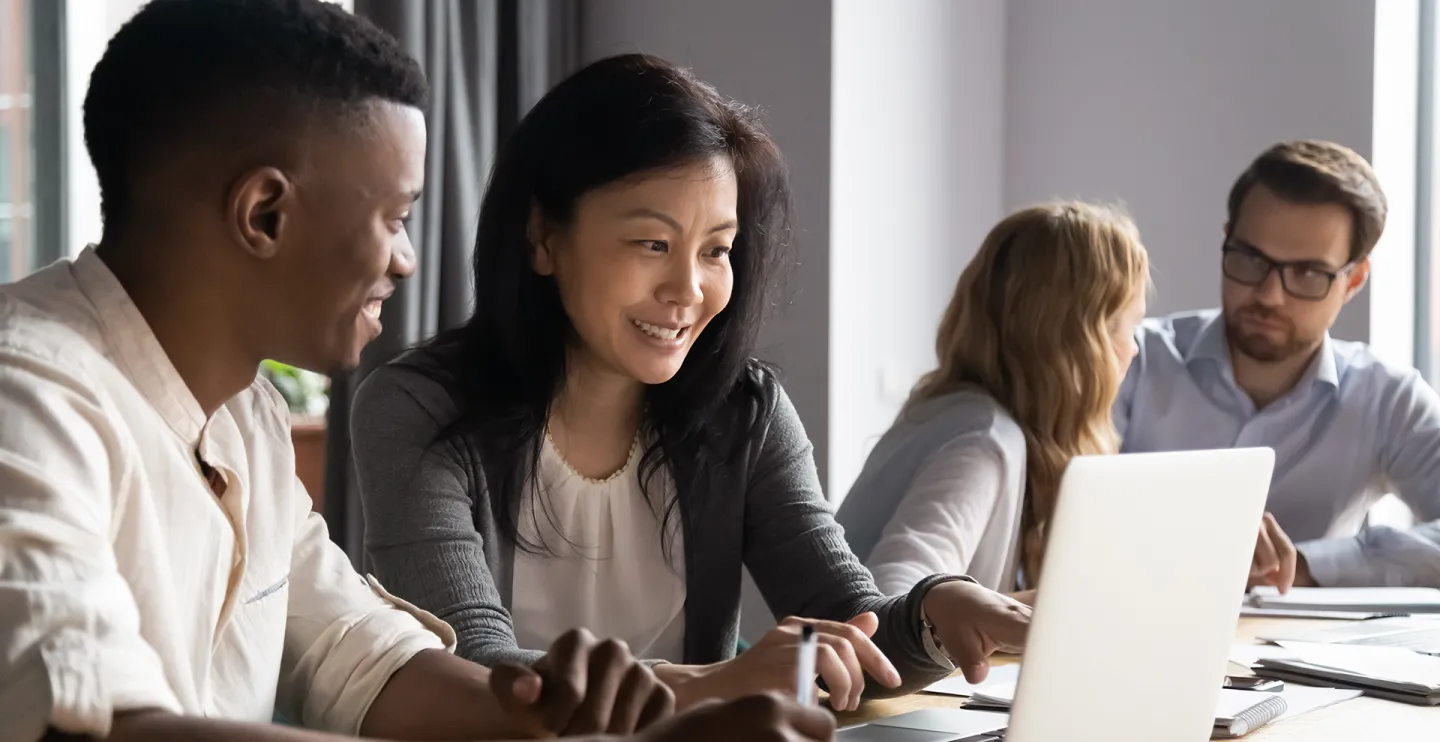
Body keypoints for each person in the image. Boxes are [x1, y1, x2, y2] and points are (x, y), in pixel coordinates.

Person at [0, 2, 832, 741]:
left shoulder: (243, 417)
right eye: (395, 218)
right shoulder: (28, 392)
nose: (405, 261)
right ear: (265, 213)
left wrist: (560, 711)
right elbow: (98, 725)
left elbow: (363, 661)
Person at [351, 52, 1031, 715]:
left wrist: (940, 613)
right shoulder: (416, 408)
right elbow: (474, 668)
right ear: (542, 238)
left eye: (716, 250)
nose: (689, 289)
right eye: (652, 244)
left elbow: (853, 628)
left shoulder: (745, 411)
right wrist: (712, 684)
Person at [1117, 139, 1440, 589]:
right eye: (1252, 259)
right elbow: (1051, 521)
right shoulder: (1133, 359)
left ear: (1354, 281)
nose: (1269, 295)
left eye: (1308, 273)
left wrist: (1305, 566)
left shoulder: (1387, 398)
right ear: (1226, 240)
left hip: (1306, 655)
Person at [834, 203, 1150, 596]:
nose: (1133, 349)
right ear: (1079, 341)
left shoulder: (952, 412)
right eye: (1127, 325)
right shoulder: (982, 441)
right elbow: (895, 594)